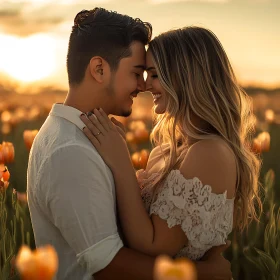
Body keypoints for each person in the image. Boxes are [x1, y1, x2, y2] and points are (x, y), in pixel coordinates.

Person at [27, 7, 232, 280]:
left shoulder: (90, 139)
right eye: (138, 72)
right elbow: (106, 263)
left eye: (152, 74)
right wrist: (204, 274)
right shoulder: (71, 151)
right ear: (99, 69)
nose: (143, 86)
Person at [81, 26, 262, 269]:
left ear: (186, 77)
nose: (145, 86)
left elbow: (154, 246)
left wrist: (121, 160)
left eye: (154, 75)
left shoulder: (210, 153)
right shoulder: (164, 152)